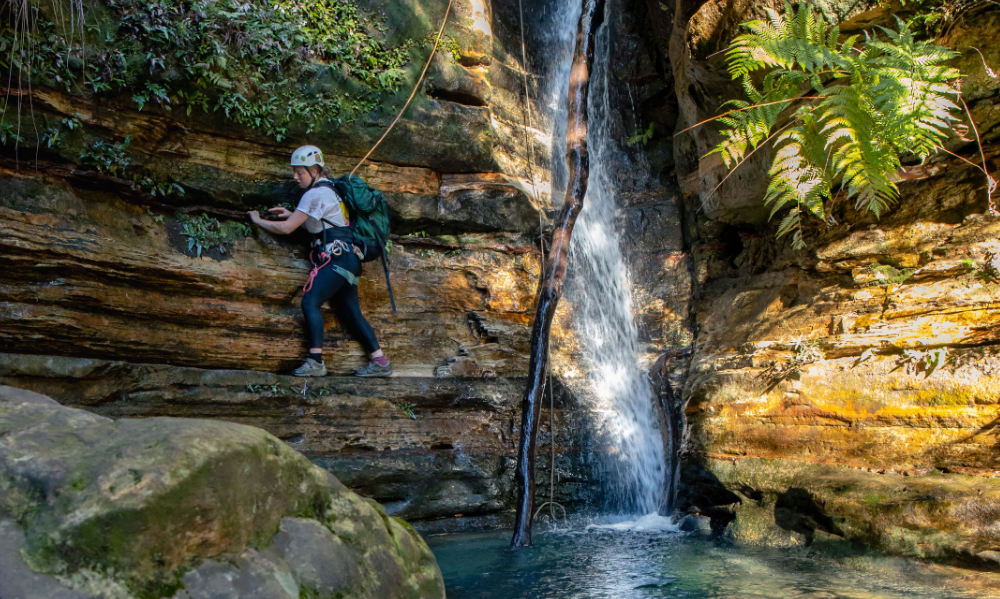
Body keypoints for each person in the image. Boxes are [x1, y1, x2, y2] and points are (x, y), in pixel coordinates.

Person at [249, 145, 391, 377]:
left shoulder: (314, 194)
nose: (295, 177)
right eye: (294, 172)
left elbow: (286, 229)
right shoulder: (332, 191)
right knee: (351, 312)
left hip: (334, 260)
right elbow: (320, 223)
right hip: (349, 260)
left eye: (300, 172)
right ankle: (380, 362)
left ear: (314, 170)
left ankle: (315, 361)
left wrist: (257, 220)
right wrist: (293, 214)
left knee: (310, 302)